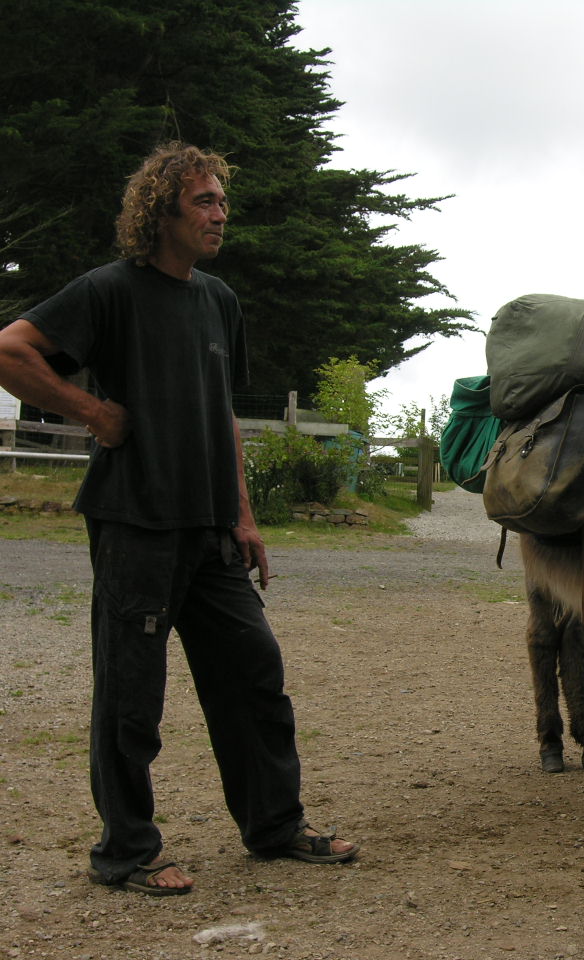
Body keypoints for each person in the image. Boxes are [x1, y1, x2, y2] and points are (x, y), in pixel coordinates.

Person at [0, 142, 359, 896]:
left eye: (222, 200)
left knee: (253, 672)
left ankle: (273, 824)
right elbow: (11, 350)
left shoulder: (218, 300)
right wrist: (94, 411)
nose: (219, 213)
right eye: (203, 200)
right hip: (136, 523)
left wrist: (244, 514)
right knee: (132, 692)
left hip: (209, 529)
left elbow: (221, 413)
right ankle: (125, 852)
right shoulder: (108, 291)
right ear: (160, 210)